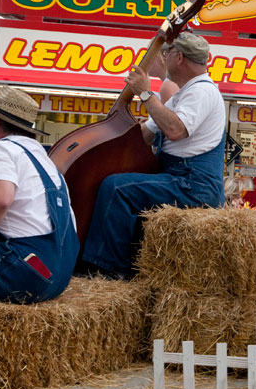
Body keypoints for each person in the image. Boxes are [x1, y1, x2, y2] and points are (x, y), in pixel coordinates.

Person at [81, 33, 226, 278]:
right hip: (183, 179)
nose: (163, 58)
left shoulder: (202, 92)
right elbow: (145, 134)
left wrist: (146, 94)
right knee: (117, 183)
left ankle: (107, 273)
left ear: (178, 57)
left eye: (166, 53)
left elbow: (175, 129)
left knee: (117, 188)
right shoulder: (184, 94)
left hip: (194, 185)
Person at [0, 86, 78, 303]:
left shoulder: (1, 149)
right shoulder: (44, 159)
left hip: (23, 272)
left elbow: (1, 200)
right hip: (57, 278)